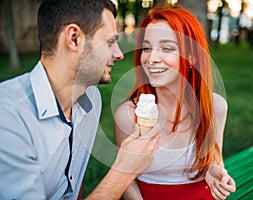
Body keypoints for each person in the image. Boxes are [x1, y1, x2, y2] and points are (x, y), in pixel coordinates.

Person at [0, 0, 159, 199]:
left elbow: (74, 185)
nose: (119, 54)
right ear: (74, 38)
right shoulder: (8, 119)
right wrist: (124, 172)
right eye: (110, 42)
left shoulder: (91, 101)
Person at [114, 4, 236, 200]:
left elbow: (215, 159)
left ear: (191, 56)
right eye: (146, 48)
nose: (152, 58)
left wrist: (214, 170)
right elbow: (123, 179)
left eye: (167, 48)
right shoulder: (128, 115)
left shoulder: (216, 107)